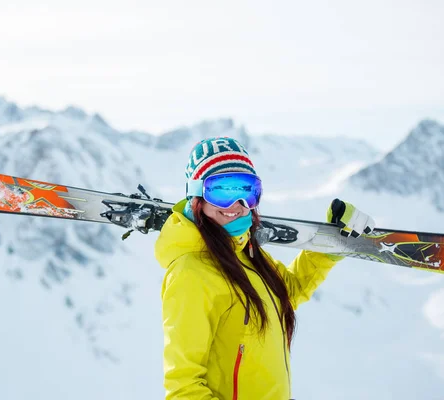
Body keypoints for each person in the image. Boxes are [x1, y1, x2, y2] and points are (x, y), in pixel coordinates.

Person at [154, 137, 375, 400]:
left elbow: (289, 291)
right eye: (222, 191)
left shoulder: (246, 254)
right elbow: (184, 388)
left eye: (247, 191)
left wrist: (330, 244)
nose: (236, 205)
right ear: (196, 196)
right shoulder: (190, 274)